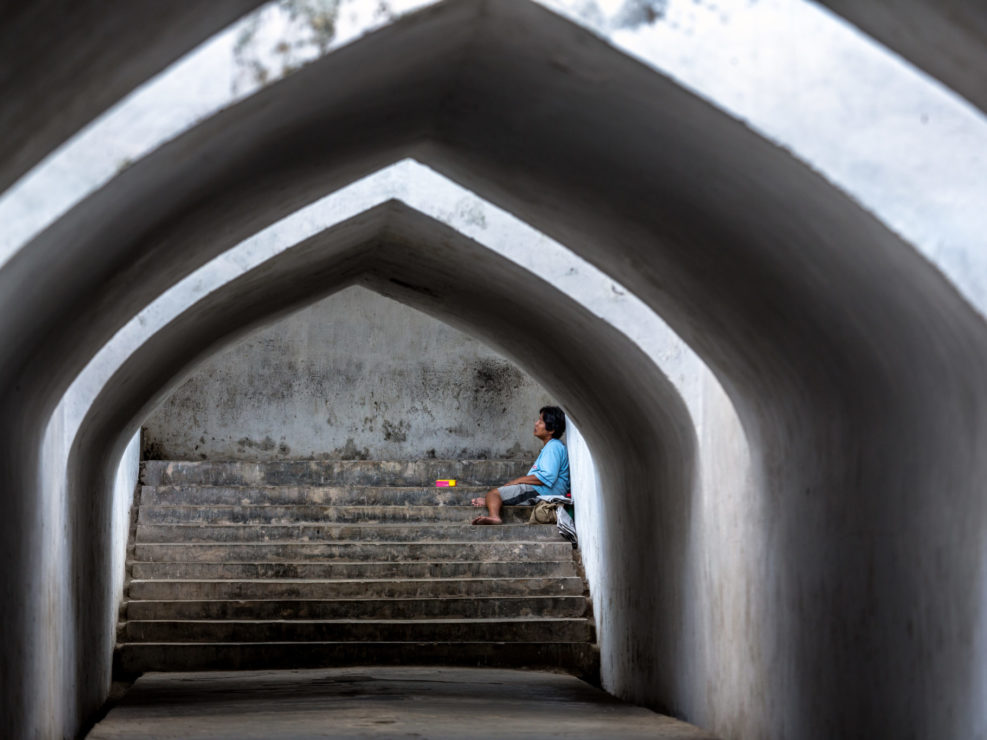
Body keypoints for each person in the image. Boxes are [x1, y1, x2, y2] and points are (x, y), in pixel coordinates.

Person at [471, 406, 570, 525]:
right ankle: (491, 501)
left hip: (541, 491)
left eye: (541, 421)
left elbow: (547, 476)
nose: (536, 423)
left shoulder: (553, 447)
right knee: (493, 496)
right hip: (542, 491)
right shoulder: (553, 446)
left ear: (551, 430)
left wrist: (517, 481)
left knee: (493, 494)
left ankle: (494, 517)